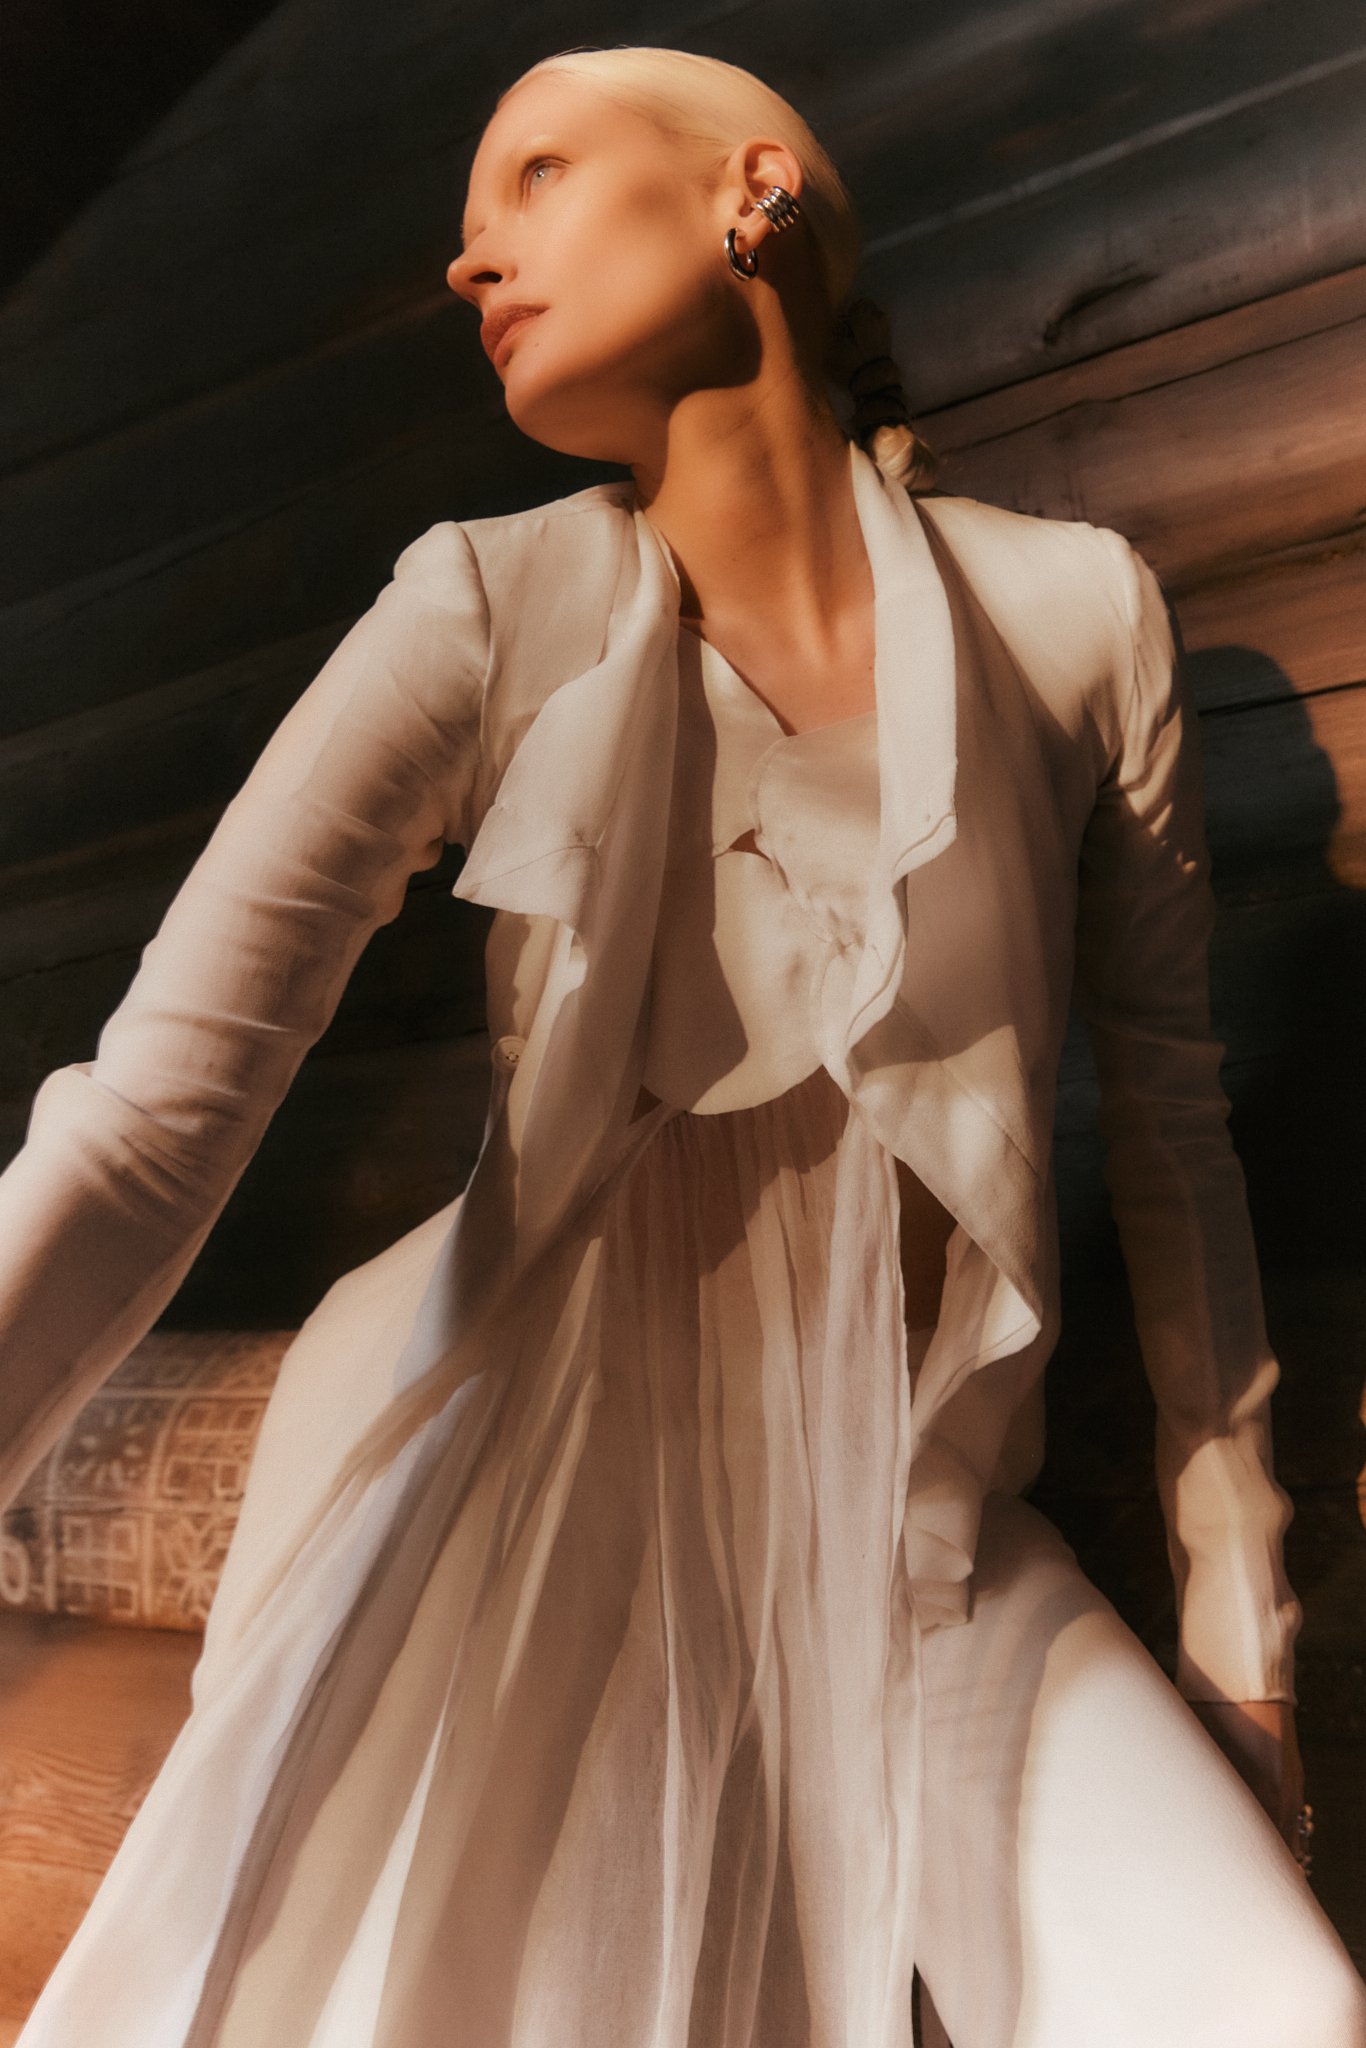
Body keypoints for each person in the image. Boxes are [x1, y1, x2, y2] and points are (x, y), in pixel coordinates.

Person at [0, 39, 1363, 2048]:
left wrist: (1240, 1621)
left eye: (535, 174)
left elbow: (1172, 1135)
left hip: (915, 1550)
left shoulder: (1078, 619)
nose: (468, 258)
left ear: (751, 193)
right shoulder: (479, 607)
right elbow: (147, 1119)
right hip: (526, 1519)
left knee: (1273, 2003)